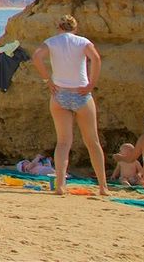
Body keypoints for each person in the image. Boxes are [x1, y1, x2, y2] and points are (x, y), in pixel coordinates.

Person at [33, 14, 107, 197]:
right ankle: (103, 187)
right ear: (75, 27)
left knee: (64, 142)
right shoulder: (82, 42)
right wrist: (91, 83)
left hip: (60, 94)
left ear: (59, 27)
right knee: (92, 142)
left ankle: (60, 186)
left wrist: (47, 80)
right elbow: (96, 59)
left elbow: (36, 57)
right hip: (81, 93)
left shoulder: (51, 42)